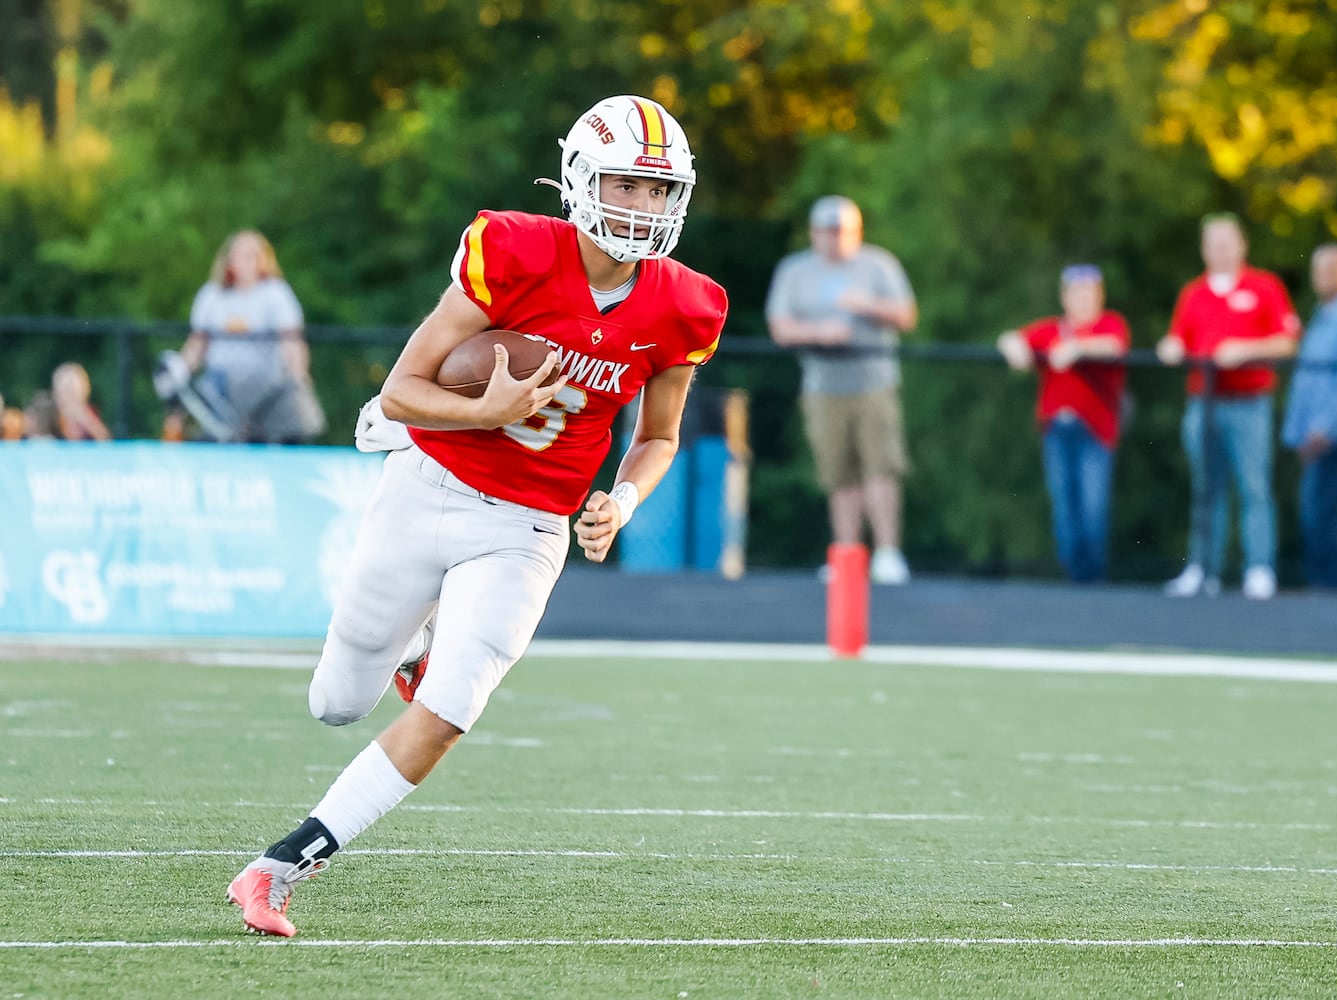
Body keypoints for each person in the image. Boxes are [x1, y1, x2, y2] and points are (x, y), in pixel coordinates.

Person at [225, 95, 728, 937]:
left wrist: (625, 499)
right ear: (578, 181)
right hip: (429, 483)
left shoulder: (685, 305)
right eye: (623, 185)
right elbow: (402, 391)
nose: (641, 208)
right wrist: (483, 414)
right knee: (337, 702)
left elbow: (661, 435)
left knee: (455, 705)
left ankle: (278, 868)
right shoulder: (516, 251)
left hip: (530, 524)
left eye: (655, 190)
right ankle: (411, 646)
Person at [765, 195, 918, 585]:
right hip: (822, 386)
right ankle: (847, 554)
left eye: (843, 231)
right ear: (815, 233)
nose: (835, 239)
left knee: (880, 468)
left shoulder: (878, 265)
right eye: (828, 231)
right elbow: (780, 326)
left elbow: (906, 315)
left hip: (874, 384)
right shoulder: (795, 271)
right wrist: (820, 333)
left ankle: (887, 553)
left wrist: (867, 306)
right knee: (839, 474)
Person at [1157, 212, 1300, 600]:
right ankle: (1204, 568)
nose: (1220, 250)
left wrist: (1245, 350)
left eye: (1227, 242)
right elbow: (1177, 339)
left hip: (1249, 403)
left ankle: (1259, 568)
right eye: (1213, 243)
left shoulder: (1265, 287)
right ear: (1204, 249)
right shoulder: (1194, 293)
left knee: (1254, 486)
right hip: (1203, 404)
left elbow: (1287, 341)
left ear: (1241, 245)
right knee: (1206, 488)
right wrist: (1171, 348)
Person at [996, 264, 1130, 583]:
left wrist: (1077, 348)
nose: (1083, 299)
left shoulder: (1109, 325)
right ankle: (1073, 574)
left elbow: (1114, 346)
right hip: (1057, 430)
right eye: (1076, 293)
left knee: (1093, 506)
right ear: (1065, 297)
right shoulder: (1052, 330)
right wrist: (1016, 349)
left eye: (1089, 293)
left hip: (1095, 430)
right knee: (1064, 505)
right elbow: (1012, 338)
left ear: (1100, 297)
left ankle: (1093, 576)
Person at [164, 230, 325, 444]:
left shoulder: (276, 294)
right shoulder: (212, 295)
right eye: (245, 255)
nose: (251, 262)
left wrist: (299, 376)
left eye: (256, 255)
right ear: (229, 261)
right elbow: (197, 345)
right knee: (189, 413)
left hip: (265, 388)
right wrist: (179, 371)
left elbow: (292, 343)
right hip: (220, 386)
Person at [1281, 243, 1337, 591]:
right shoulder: (1327, 313)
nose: (1318, 278)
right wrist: (1299, 430)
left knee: (1323, 508)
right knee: (1317, 507)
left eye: (1325, 270)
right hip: (1318, 433)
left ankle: (1336, 584)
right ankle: (1326, 582)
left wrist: (1325, 427)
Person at [51, 362, 112, 441]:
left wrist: (85, 419)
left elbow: (106, 442)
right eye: (66, 389)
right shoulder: (49, 416)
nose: (70, 395)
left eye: (73, 390)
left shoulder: (91, 415)